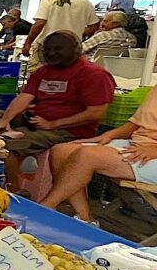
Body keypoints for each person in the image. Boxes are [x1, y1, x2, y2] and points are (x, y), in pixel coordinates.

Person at [0, 30, 115, 191]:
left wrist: (53, 124)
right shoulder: (43, 71)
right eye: (48, 50)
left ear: (74, 49)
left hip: (68, 130)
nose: (52, 54)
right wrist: (5, 119)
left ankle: (14, 188)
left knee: (4, 145)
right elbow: (25, 97)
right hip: (33, 119)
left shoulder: (94, 74)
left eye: (58, 49)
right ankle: (6, 134)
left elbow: (96, 113)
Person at [42, 87, 157, 222]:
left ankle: (45, 207)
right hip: (139, 144)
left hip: (152, 154)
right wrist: (108, 136)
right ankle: (85, 219)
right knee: (61, 151)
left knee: (88, 156)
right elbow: (137, 123)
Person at [22, 0, 100, 72]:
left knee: (38, 73)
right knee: (65, 75)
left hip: (47, 45)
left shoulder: (50, 0)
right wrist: (76, 32)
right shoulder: (86, 3)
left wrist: (28, 43)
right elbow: (94, 26)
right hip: (72, 47)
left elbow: (40, 23)